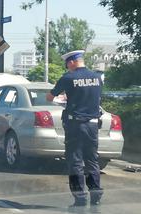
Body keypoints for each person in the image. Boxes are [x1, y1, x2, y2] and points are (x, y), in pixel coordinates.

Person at [46, 50, 103, 207]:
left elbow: (49, 97)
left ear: (71, 62)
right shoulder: (97, 77)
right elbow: (96, 98)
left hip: (75, 125)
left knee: (75, 161)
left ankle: (80, 198)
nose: (67, 67)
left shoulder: (68, 78)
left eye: (67, 65)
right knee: (92, 160)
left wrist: (65, 98)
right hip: (93, 125)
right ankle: (96, 193)